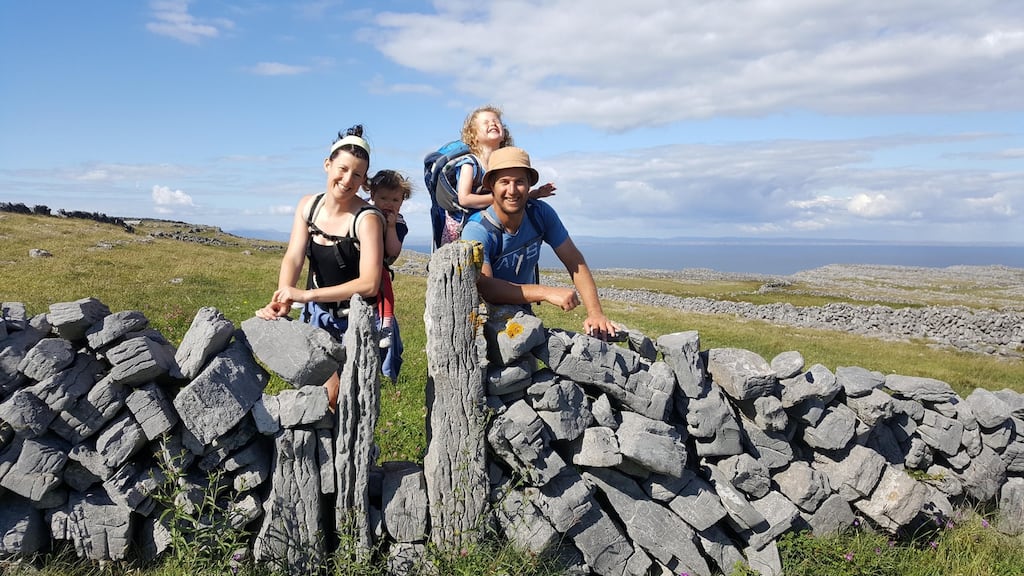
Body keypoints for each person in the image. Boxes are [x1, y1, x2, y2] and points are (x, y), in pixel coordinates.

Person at [256, 125, 384, 409]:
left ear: (364, 180)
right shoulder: (308, 206)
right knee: (321, 393)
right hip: (317, 317)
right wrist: (283, 298)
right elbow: (294, 257)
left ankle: (343, 451)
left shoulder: (367, 219)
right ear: (328, 165)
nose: (348, 179)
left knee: (343, 397)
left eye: (358, 174)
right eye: (342, 168)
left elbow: (369, 283)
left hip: (356, 320)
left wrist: (305, 295)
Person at [460, 146, 618, 340]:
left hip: (522, 312)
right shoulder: (478, 229)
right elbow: (486, 287)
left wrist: (595, 313)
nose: (512, 190)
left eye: (519, 182)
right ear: (491, 186)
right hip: (481, 321)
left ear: (528, 186)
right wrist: (545, 292)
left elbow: (574, 261)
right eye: (504, 182)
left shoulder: (540, 214)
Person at [438, 105, 556, 245]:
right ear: (473, 135)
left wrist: (535, 193)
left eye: (496, 121)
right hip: (461, 231)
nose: (493, 123)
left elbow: (510, 196)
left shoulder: (503, 166)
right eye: (486, 122)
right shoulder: (470, 164)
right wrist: (497, 198)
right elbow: (464, 199)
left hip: (488, 225)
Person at [366, 169, 412, 381]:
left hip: (380, 265)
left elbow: (393, 250)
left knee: (384, 285)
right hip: (361, 265)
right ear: (372, 195)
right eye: (383, 197)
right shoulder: (364, 212)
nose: (389, 204)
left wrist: (391, 226)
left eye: (395, 199)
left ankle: (386, 323)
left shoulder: (398, 222)